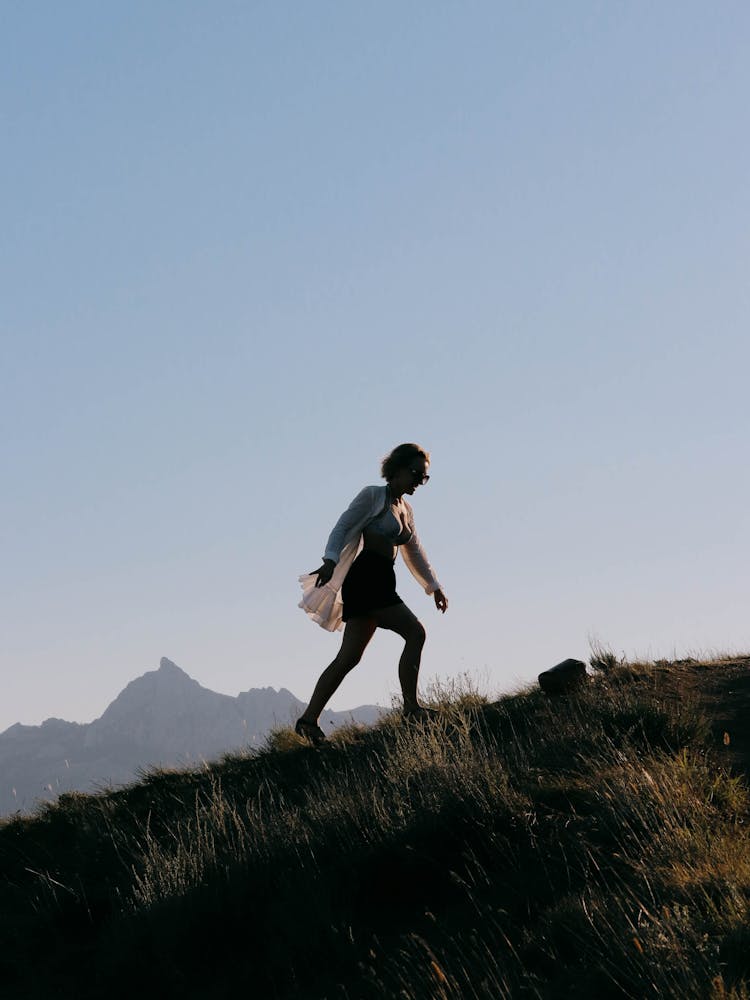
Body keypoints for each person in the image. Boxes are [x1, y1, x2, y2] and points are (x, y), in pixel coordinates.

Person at [296, 443, 448, 745]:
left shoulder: (405, 508)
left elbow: (413, 550)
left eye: (425, 477)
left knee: (349, 657)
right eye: (416, 474)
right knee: (415, 633)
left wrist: (433, 586)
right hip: (366, 580)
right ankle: (411, 709)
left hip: (382, 580)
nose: (420, 481)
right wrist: (330, 559)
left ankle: (307, 721)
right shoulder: (373, 496)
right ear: (398, 469)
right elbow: (342, 527)